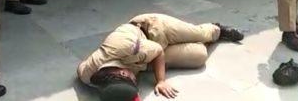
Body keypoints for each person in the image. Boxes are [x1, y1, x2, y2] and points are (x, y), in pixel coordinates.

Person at [77, 13, 243, 100]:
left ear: (122, 73)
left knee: (199, 34)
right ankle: (199, 42)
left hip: (155, 29)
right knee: (199, 56)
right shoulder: (89, 75)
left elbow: (157, 50)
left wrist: (161, 81)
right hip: (147, 54)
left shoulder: (129, 48)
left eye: (133, 81)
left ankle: (217, 29)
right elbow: (82, 68)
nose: (137, 82)